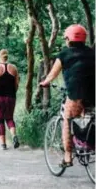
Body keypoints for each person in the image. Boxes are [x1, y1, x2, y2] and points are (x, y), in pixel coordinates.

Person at [40, 24, 95, 167]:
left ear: (68, 39)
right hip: (93, 94)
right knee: (87, 117)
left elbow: (53, 73)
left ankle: (67, 157)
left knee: (68, 120)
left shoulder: (64, 54)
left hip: (76, 94)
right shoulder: (92, 53)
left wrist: (45, 82)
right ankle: (86, 143)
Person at [0, 49, 20, 150]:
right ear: (7, 57)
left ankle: (3, 144)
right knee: (10, 118)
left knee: (0, 119)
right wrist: (13, 93)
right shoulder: (14, 68)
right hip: (11, 97)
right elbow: (16, 84)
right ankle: (14, 136)